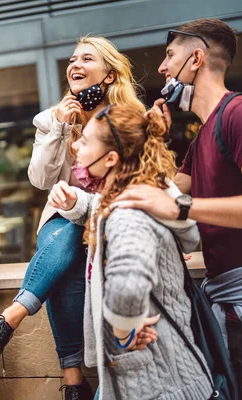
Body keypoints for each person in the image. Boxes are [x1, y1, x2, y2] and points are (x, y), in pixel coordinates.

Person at [0, 36, 145, 399]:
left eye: (87, 59)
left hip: (111, 218)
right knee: (67, 236)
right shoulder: (51, 119)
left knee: (67, 255)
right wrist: (61, 129)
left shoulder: (130, 118)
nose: (75, 65)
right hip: (63, 218)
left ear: (110, 75)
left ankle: (62, 373)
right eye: (72, 59)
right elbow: (41, 180)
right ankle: (67, 376)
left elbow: (142, 178)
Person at [114, 19, 242, 398]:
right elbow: (163, 190)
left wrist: (184, 208)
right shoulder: (204, 132)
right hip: (222, 294)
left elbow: (177, 201)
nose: (162, 67)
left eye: (170, 56)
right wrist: (155, 136)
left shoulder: (240, 112)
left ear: (197, 59)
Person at [52, 104, 213, 399]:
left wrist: (123, 333)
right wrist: (76, 202)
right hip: (159, 377)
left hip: (156, 384)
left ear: (111, 158)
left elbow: (127, 287)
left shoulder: (127, 213)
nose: (75, 145)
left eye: (85, 141)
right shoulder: (130, 197)